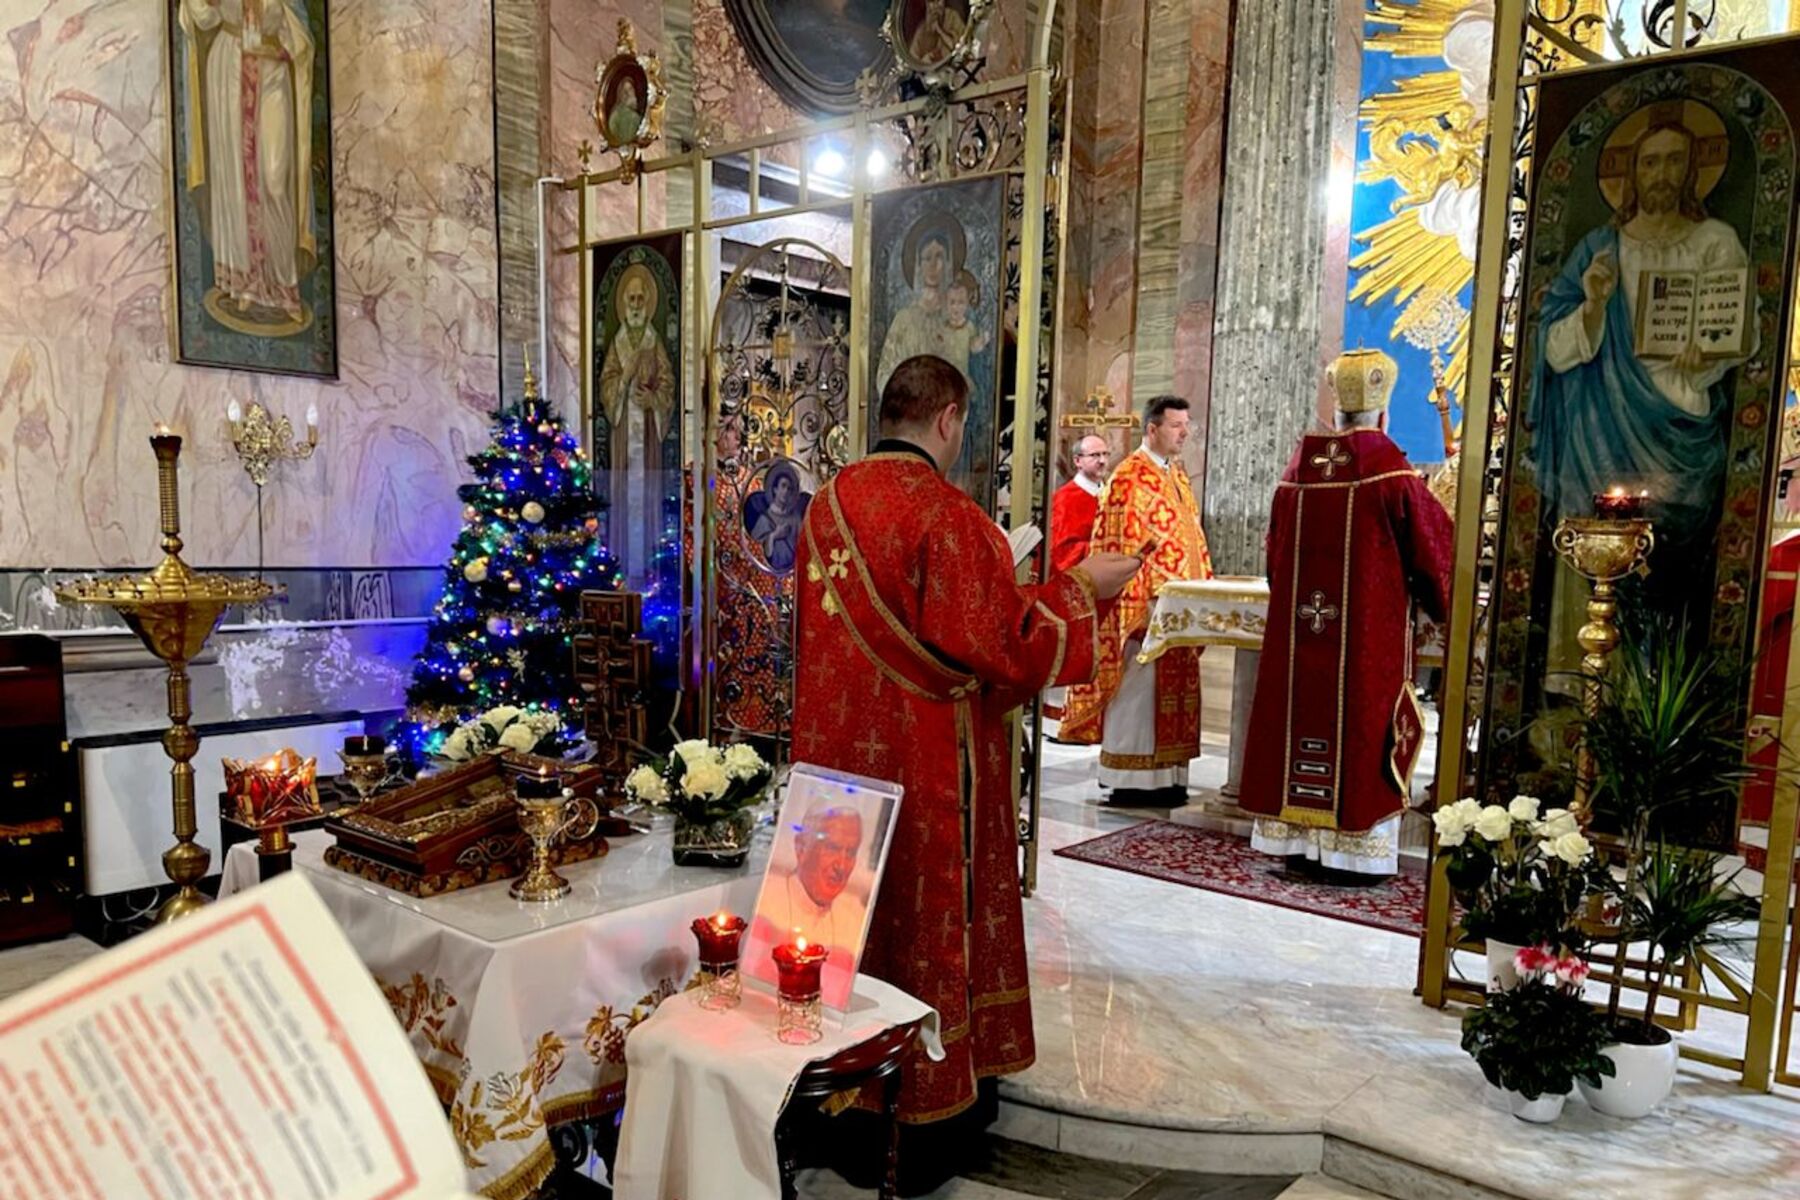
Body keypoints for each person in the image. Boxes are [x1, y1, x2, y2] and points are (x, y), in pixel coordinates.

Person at [792, 355, 1138, 1190]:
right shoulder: (947, 518)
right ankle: (924, 1116)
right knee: (920, 929)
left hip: (834, 777)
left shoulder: (824, 507)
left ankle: (828, 1103)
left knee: (839, 925)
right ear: (948, 418)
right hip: (928, 773)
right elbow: (1010, 651)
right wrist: (1079, 591)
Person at [1239, 348, 1454, 881]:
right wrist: (1443, 603)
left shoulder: (1296, 473)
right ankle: (1350, 856)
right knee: (1361, 728)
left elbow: (1274, 554)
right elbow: (1434, 552)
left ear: (1335, 411)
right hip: (1365, 641)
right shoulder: (1393, 473)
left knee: (1301, 719)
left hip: (1300, 633)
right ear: (1382, 416)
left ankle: (1298, 844)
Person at [1533, 108, 1752, 619]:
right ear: (1632, 173)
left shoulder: (1714, 242)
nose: (1661, 173)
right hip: (1599, 434)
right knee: (1595, 555)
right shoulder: (1600, 250)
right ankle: (1580, 681)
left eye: (1675, 161)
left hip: (1682, 427)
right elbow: (1552, 346)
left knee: (1672, 571)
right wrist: (1593, 305)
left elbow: (1743, 333)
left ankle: (1656, 686)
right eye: (1650, 162)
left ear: (1692, 170)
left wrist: (1706, 360)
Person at [1060, 396, 1213, 805]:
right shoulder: (1130, 476)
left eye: (1186, 424)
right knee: (1139, 691)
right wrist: (1140, 597)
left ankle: (1169, 775)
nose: (1184, 432)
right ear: (1152, 429)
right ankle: (1131, 779)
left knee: (1175, 693)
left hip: (1181, 608)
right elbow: (1123, 545)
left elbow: (1190, 537)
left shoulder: (1176, 476)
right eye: (1176, 425)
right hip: (1144, 607)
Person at [179, 0, 317, 325]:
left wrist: (286, 47)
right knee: (234, 182)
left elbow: (298, 29)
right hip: (227, 68)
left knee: (274, 179)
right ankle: (243, 280)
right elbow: (203, 17)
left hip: (272, 73)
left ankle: (283, 284)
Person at [599, 263, 675, 583]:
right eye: (630, 299)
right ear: (624, 303)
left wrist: (654, 401)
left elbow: (668, 382)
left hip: (646, 436)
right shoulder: (617, 343)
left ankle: (649, 576)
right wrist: (622, 383)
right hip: (622, 440)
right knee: (624, 500)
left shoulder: (653, 340)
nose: (634, 305)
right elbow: (606, 383)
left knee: (645, 502)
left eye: (640, 299)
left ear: (647, 303)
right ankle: (621, 575)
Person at [755, 803, 867, 1008]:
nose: (841, 866)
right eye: (832, 848)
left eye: (850, 852)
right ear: (801, 847)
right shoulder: (766, 902)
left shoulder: (856, 916)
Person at [1044, 435, 1109, 723]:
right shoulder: (1065, 499)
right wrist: (1101, 549)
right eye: (1095, 455)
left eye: (1106, 454)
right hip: (1074, 585)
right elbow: (1061, 550)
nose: (1102, 460)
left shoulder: (1109, 494)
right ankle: (1064, 714)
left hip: (1106, 585)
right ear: (1077, 461)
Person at [745, 460, 809, 573]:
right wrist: (774, 536)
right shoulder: (765, 519)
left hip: (793, 576)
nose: (786, 491)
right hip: (767, 577)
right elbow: (754, 548)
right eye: (783, 486)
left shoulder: (796, 517)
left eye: (790, 488)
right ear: (774, 489)